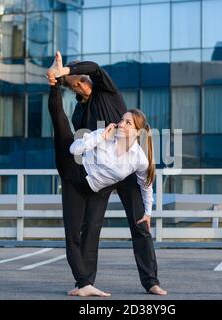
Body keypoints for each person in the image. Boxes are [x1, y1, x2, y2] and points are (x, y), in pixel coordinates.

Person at [47, 51, 167, 296]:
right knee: (91, 225)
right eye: (74, 85)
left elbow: (95, 67)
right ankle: (85, 282)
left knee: (140, 223)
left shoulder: (107, 91)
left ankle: (151, 280)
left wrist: (65, 71)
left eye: (81, 79)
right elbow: (82, 147)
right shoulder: (79, 113)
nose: (80, 85)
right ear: (74, 90)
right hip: (101, 173)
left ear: (87, 78)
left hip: (127, 170)